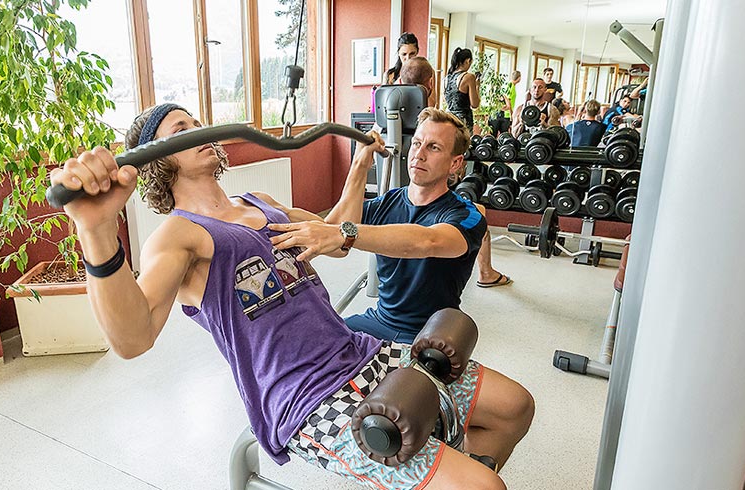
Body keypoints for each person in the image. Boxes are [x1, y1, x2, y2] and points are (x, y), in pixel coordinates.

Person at [52, 103, 534, 489]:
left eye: (200, 123)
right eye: (184, 128)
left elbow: (334, 236)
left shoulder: (259, 203)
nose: (201, 131)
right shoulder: (179, 235)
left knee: (515, 406)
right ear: (160, 156)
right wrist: (96, 231)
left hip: (359, 351)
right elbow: (133, 338)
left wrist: (360, 163)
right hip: (305, 396)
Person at [271, 107, 513, 343]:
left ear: (455, 164)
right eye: (417, 143)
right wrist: (359, 165)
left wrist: (344, 233)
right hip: (380, 319)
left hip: (429, 334)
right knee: (306, 346)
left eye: (434, 147)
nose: (419, 154)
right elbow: (331, 230)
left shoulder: (467, 215)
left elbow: (425, 242)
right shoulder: (387, 202)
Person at [398, 58, 509, 289]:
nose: (419, 151)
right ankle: (485, 272)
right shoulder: (436, 116)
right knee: (475, 212)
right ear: (430, 83)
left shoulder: (391, 105)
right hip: (435, 171)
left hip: (402, 177)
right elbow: (475, 104)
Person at [443, 48, 481, 133]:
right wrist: (477, 86)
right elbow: (475, 104)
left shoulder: (446, 78)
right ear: (468, 60)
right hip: (462, 121)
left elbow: (446, 100)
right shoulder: (469, 77)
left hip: (448, 118)